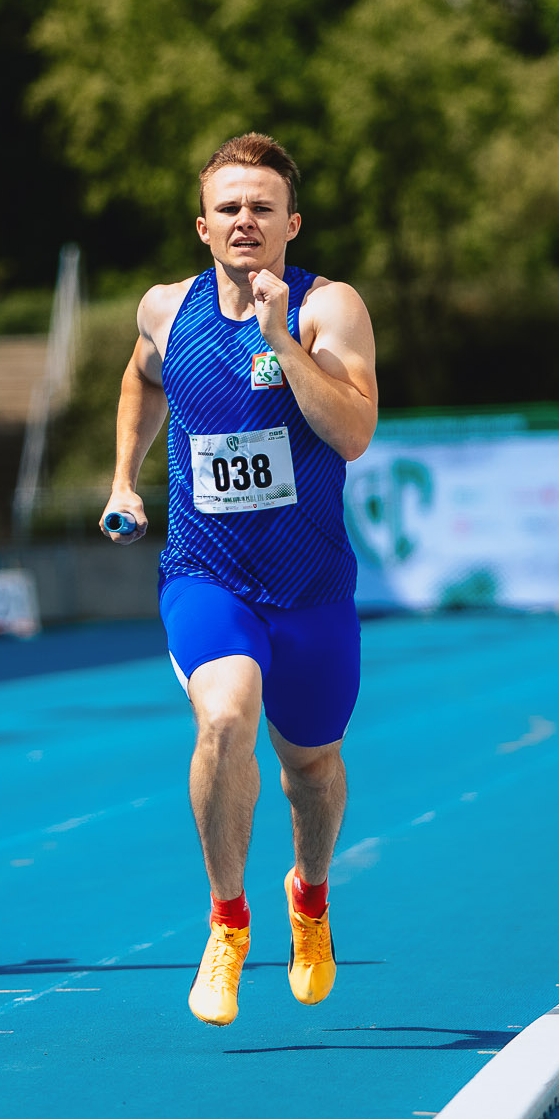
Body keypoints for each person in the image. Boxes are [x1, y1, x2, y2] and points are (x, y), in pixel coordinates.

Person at [101, 133, 377, 1026]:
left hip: (311, 589)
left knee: (311, 773)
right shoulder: (163, 309)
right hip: (205, 573)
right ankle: (226, 920)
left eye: (262, 207)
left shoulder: (327, 308)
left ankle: (311, 894)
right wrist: (122, 481)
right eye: (229, 208)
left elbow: (353, 432)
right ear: (203, 226)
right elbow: (141, 379)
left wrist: (281, 346)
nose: (245, 221)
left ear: (292, 223)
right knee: (225, 713)